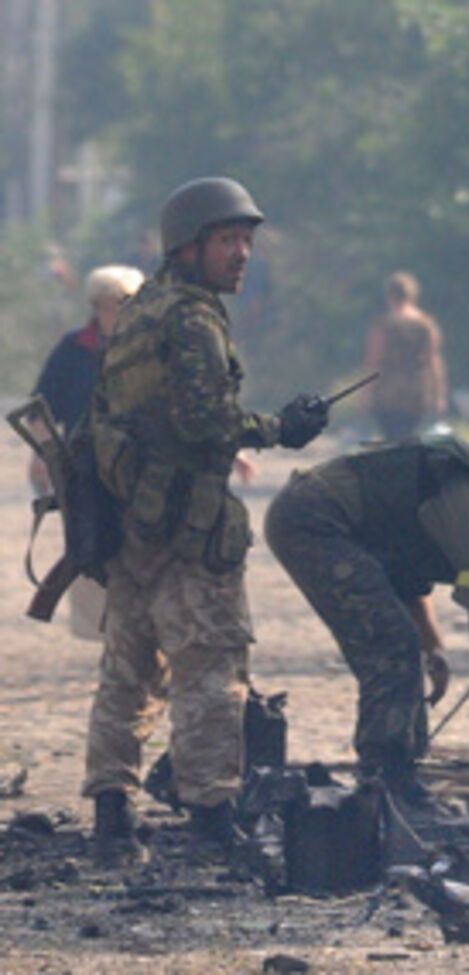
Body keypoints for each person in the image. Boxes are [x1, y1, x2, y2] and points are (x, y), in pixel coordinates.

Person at [83, 176, 331, 865]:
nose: (242, 254)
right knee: (212, 669)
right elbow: (206, 420)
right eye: (228, 241)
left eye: (248, 241)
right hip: (189, 529)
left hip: (131, 522)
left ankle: (112, 814)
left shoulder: (137, 311)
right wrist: (282, 428)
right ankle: (213, 818)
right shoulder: (192, 317)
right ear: (189, 248)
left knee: (125, 671)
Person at [264, 435, 469, 803]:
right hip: (313, 520)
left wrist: (434, 648)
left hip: (337, 522)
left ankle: (401, 770)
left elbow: (406, 573)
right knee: (391, 645)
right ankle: (385, 778)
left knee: (402, 640)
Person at [28, 265, 145, 639]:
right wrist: (45, 455)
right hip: (85, 470)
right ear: (98, 305)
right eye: (113, 304)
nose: (120, 311)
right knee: (90, 546)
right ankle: (104, 638)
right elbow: (41, 409)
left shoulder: (147, 350)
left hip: (138, 470)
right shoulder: (74, 350)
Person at [363, 271, 448, 441]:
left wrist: (366, 392)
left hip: (386, 392)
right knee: (407, 438)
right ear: (413, 294)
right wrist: (439, 395)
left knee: (390, 438)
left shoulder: (383, 324)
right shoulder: (426, 324)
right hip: (416, 393)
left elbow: (373, 360)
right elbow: (434, 361)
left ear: (390, 295)